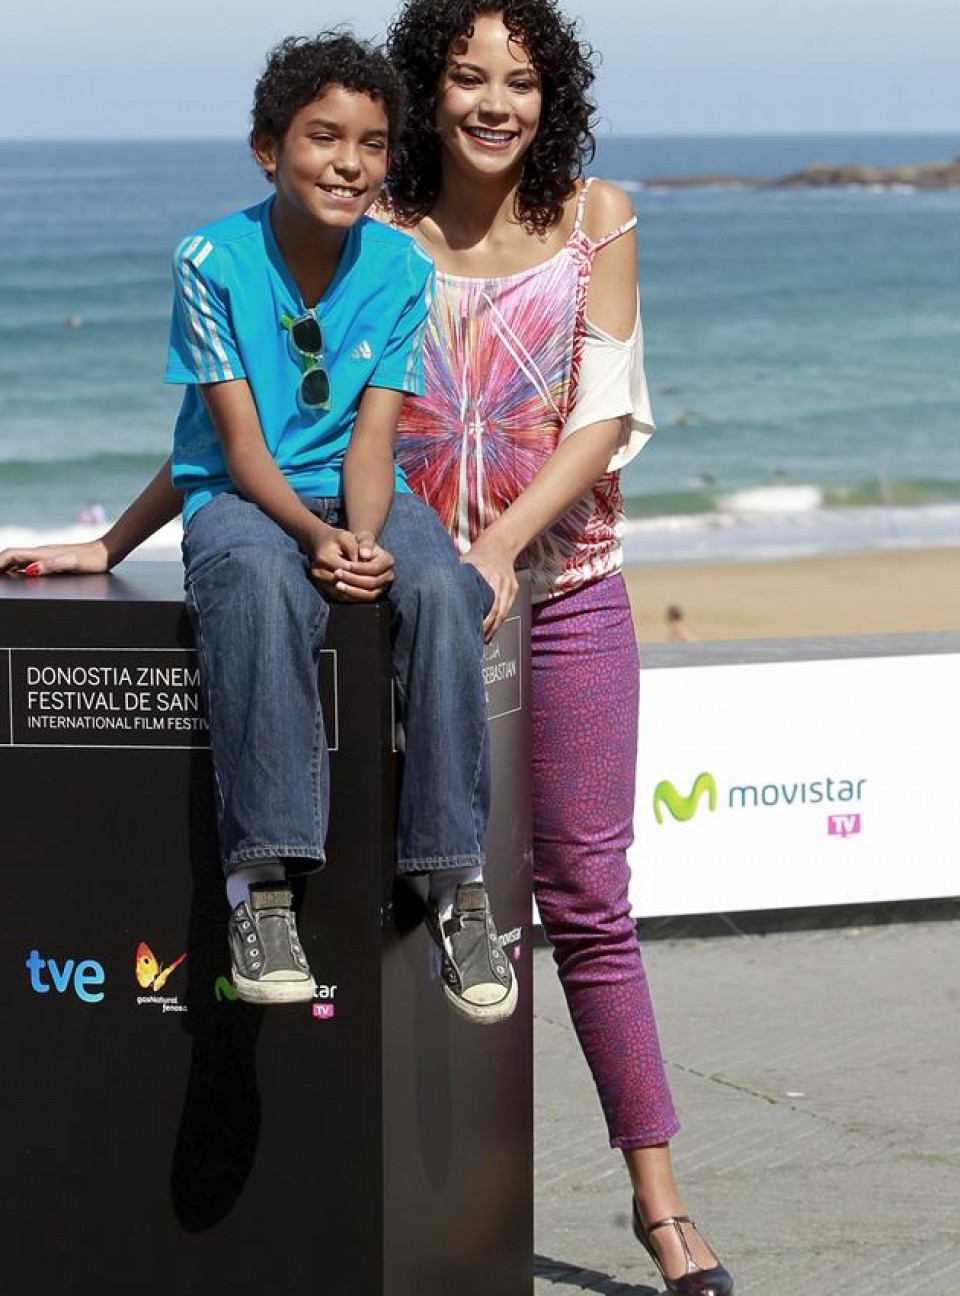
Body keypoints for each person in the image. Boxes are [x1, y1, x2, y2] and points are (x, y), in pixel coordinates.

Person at [0, 33, 517, 1025]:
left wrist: (362, 538)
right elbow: (233, 450)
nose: (349, 162)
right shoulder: (211, 261)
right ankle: (263, 887)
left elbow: (372, 446)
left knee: (445, 591)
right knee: (263, 582)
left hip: (360, 496)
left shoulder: (402, 272)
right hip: (247, 500)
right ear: (266, 148)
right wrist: (122, 548)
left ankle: (456, 886)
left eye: (371, 144)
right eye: (323, 137)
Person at [383, 3, 732, 1292]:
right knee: (418, 902)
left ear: (552, 95)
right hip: (409, 613)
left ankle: (660, 1206)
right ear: (425, 90)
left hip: (569, 593)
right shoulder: (376, 236)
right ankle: (414, 1206)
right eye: (467, 75)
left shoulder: (599, 217)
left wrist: (496, 550)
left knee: (587, 906)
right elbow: (273, 399)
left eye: (520, 80)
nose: (493, 102)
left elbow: (603, 413)